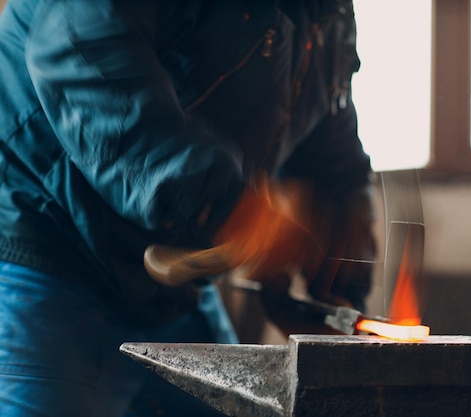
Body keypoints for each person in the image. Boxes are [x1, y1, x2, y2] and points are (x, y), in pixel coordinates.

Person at [0, 0, 375, 416]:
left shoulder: (326, 15)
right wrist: (223, 207)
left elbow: (332, 159)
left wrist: (340, 287)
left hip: (171, 289)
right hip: (46, 241)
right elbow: (78, 46)